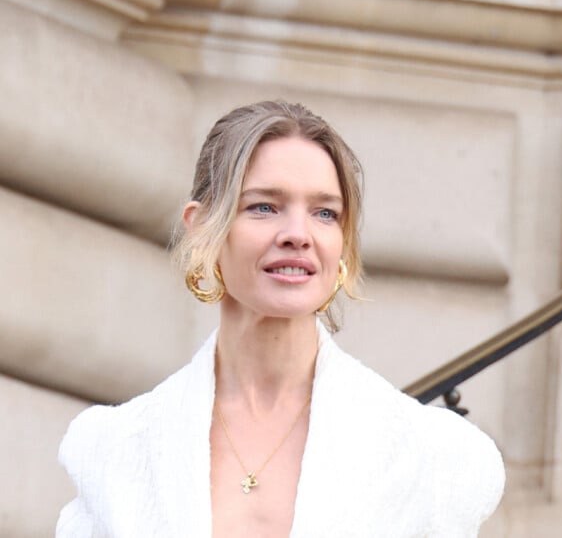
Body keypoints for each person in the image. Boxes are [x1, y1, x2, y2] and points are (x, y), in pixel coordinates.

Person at [56, 100, 505, 537]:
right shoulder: (117, 450)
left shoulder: (430, 456)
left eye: (325, 213)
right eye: (264, 207)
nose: (297, 235)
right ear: (201, 227)